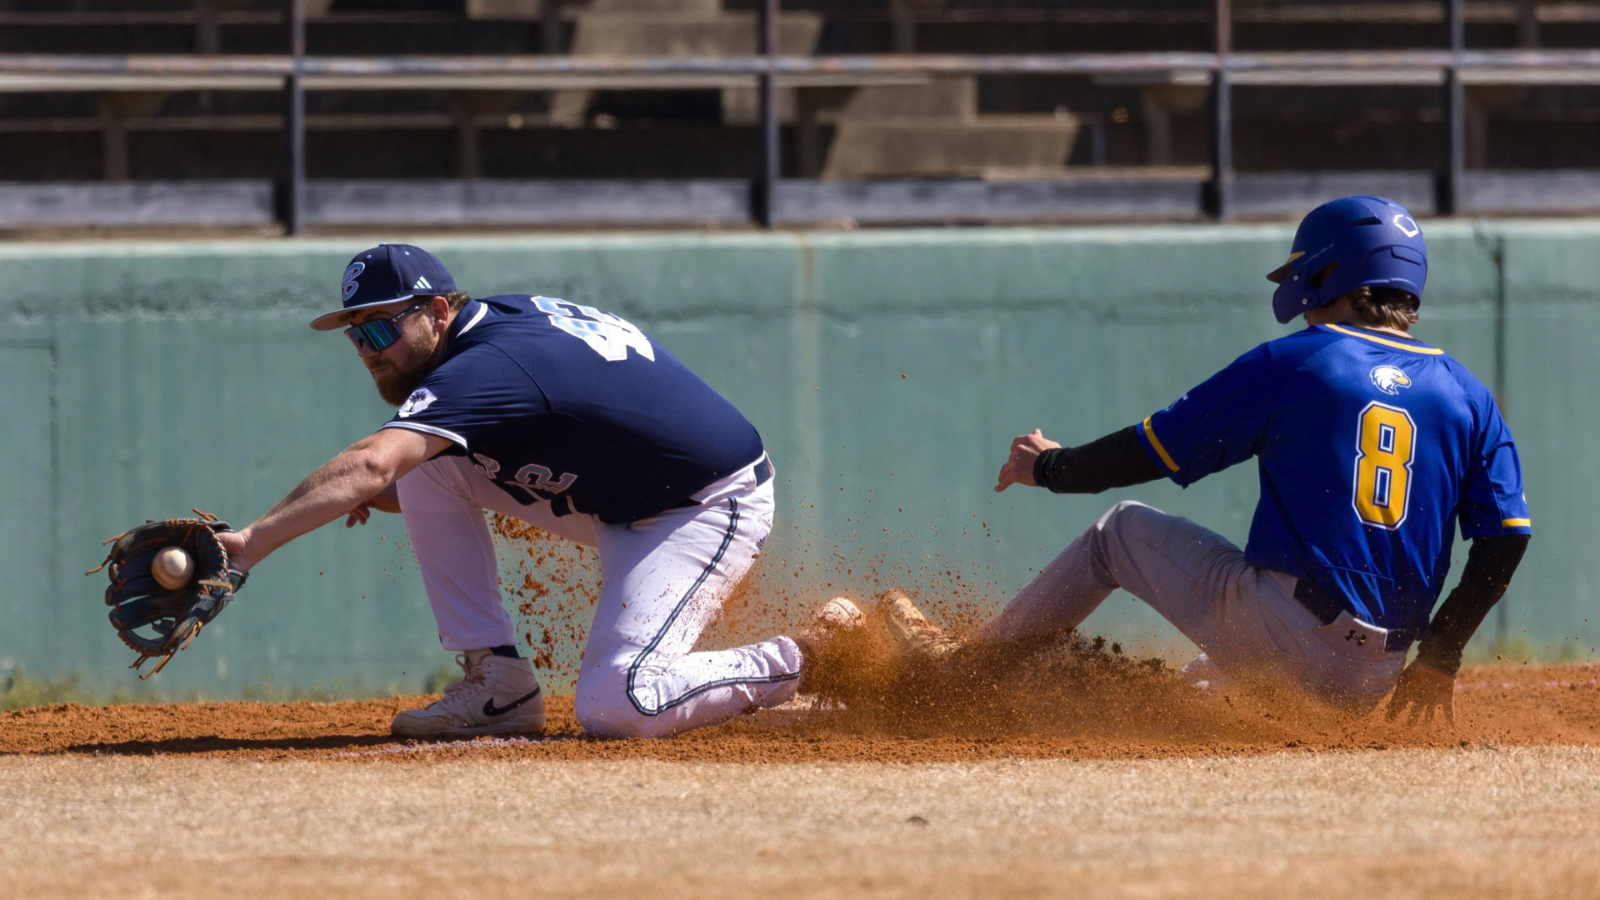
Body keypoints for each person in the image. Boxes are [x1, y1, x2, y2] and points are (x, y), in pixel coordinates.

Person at [880, 196, 1531, 721]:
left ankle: (963, 678)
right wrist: (1440, 653)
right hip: (1374, 677)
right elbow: (1504, 541)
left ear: (1331, 272)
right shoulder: (1470, 395)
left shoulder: (1304, 360)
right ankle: (1056, 703)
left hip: (1286, 634)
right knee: (1200, 691)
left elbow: (1154, 448)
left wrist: (1050, 467)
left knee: (1119, 533)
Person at [216, 243, 815, 739]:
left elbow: (371, 463)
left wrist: (244, 547)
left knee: (620, 704)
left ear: (437, 312)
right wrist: (379, 488)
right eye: (355, 335)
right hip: (625, 493)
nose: (369, 349)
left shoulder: (489, 365)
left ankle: (815, 656)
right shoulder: (486, 333)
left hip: (706, 504)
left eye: (380, 326)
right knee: (422, 457)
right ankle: (497, 685)